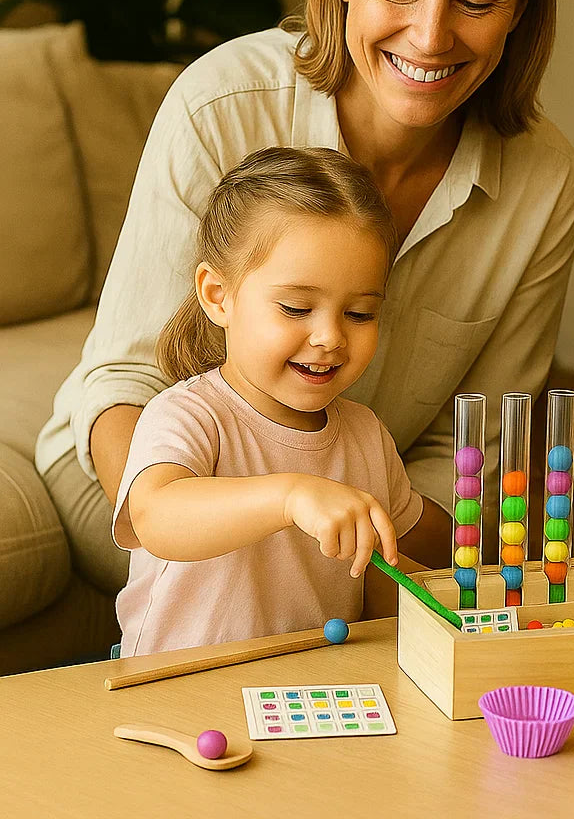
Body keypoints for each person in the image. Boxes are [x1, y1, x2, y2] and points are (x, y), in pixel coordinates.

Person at [36, 0, 574, 583]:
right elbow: (127, 384)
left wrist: (357, 529)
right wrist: (252, 512)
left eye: (476, 2)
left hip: (356, 520)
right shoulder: (222, 104)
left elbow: (467, 466)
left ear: (521, 6)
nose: (431, 38)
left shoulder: (544, 183)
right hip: (146, 482)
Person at [113, 147, 450, 656]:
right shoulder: (189, 415)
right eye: (296, 308)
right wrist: (290, 497)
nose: (330, 337)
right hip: (177, 689)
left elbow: (381, 578)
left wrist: (478, 607)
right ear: (218, 295)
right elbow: (155, 517)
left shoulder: (365, 435)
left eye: (359, 314)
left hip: (309, 694)